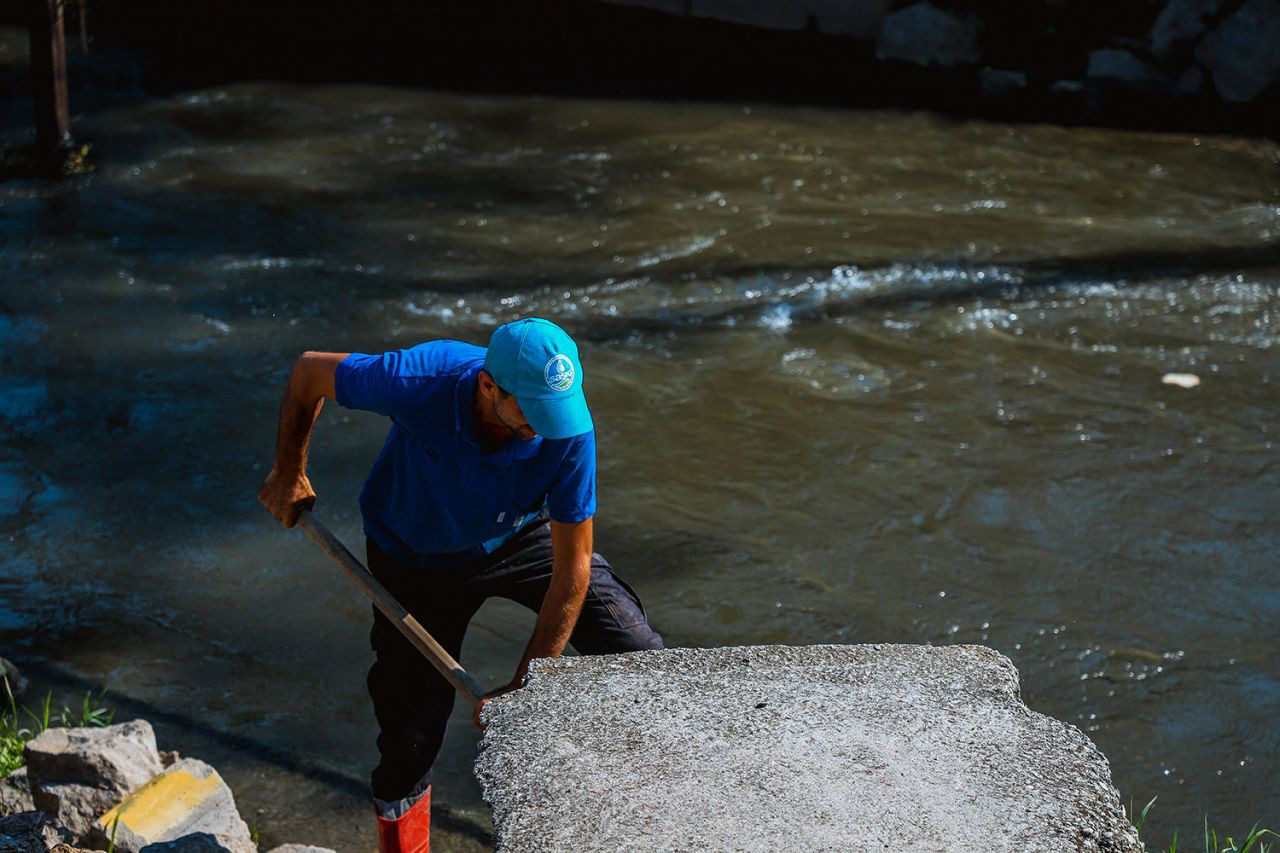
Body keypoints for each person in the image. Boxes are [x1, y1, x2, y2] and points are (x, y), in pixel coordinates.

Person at [258, 317, 664, 853]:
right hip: (414, 554)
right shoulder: (417, 378)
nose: (546, 428)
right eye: (532, 412)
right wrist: (289, 471)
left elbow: (573, 569)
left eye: (556, 413)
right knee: (411, 734)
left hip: (515, 534)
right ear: (488, 387)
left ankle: (656, 806)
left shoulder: (567, 428)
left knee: (633, 646)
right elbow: (309, 372)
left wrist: (527, 685)